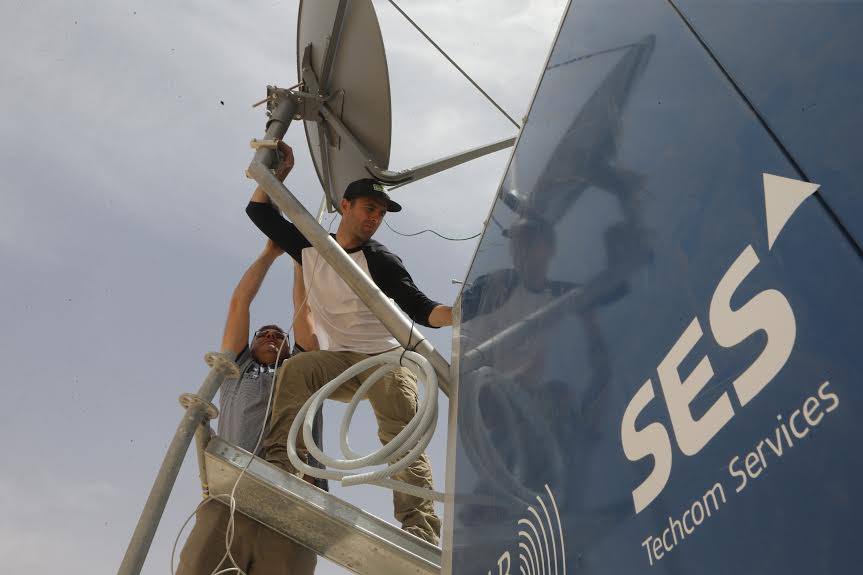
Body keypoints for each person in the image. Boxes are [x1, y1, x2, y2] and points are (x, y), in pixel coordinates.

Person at [246, 142, 452, 545]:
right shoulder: (312, 246)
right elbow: (259, 212)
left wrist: (461, 312)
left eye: (379, 214)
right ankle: (280, 467)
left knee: (399, 430)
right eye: (368, 209)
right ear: (345, 206)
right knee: (297, 368)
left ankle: (421, 527)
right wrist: (276, 177)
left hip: (387, 362)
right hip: (339, 361)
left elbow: (423, 309)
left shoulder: (381, 260)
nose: (374, 218)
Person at [176, 239, 323, 575]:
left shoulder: (303, 370)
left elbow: (306, 311)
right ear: (252, 343)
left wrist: (299, 260)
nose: (271, 336)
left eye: (278, 335)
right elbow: (239, 302)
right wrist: (270, 253)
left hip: (293, 506)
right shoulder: (236, 370)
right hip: (233, 495)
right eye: (263, 334)